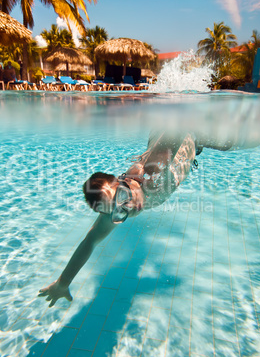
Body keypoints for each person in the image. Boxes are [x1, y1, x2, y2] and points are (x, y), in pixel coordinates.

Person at [37, 130, 238, 307]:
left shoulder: (152, 171)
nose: (128, 208)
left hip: (184, 135)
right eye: (118, 212)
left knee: (232, 142)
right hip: (190, 145)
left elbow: (180, 124)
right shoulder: (113, 211)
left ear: (122, 182)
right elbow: (89, 242)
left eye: (121, 197)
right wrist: (63, 283)